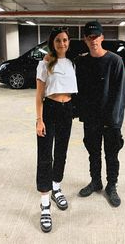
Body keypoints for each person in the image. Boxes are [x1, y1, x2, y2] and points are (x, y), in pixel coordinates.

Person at [75, 21, 125, 207]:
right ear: (85, 40)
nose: (93, 40)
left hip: (110, 120)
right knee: (93, 152)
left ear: (102, 38)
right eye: (89, 37)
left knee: (111, 155)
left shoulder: (115, 61)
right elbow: (79, 90)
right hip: (91, 118)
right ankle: (96, 181)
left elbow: (120, 94)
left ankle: (111, 186)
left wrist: (114, 121)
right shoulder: (81, 62)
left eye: (96, 36)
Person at [36, 27, 78, 233]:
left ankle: (56, 187)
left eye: (65, 40)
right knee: (45, 157)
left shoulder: (72, 63)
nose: (62, 43)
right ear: (52, 43)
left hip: (67, 110)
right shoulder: (44, 64)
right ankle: (45, 206)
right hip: (50, 109)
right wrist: (39, 120)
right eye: (58, 40)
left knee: (61, 152)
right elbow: (39, 96)